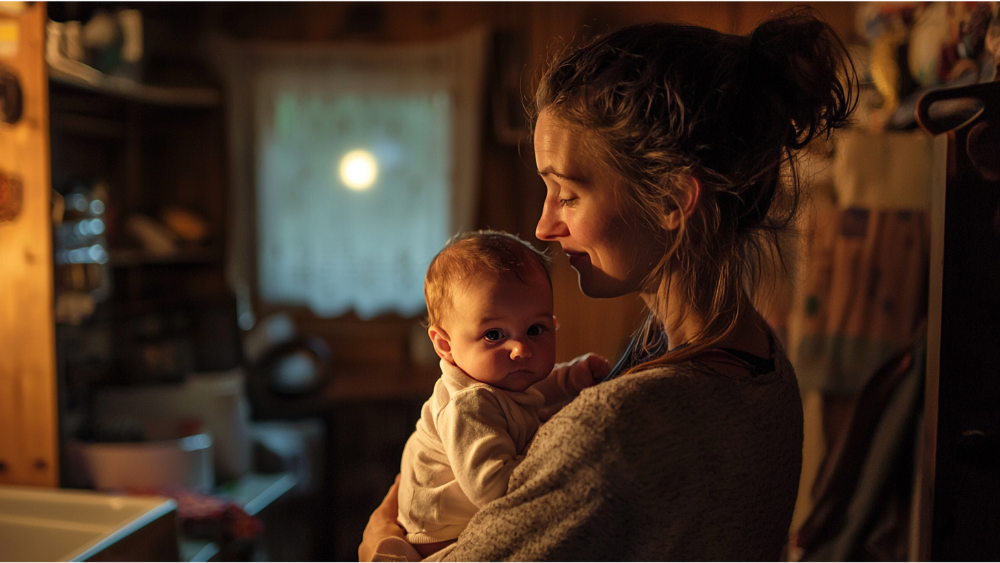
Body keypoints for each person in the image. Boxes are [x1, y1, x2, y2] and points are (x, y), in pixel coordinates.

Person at [362, 8, 856, 562]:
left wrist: (378, 537)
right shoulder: (758, 356)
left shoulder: (612, 429)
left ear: (671, 200)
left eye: (567, 194)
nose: (544, 227)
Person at [397, 230, 611, 558]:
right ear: (445, 345)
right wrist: (555, 446)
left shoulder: (499, 380)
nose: (521, 349)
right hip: (443, 538)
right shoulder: (468, 404)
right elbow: (494, 488)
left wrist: (571, 378)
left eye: (536, 330)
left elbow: (533, 391)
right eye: (494, 335)